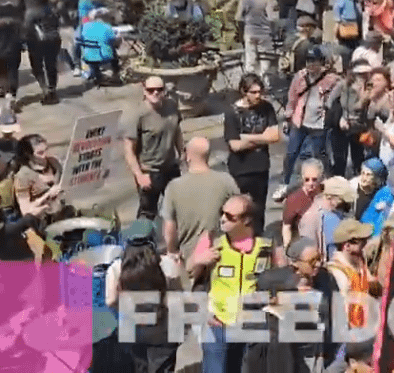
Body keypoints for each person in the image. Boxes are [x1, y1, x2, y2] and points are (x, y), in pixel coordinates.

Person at [188, 194, 280, 373]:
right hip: (217, 323)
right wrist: (200, 259)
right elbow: (189, 270)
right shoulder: (212, 241)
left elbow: (280, 278)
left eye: (230, 216)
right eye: (222, 213)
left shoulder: (265, 247)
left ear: (246, 220)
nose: (223, 219)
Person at [105, 220, 183, 373]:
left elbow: (110, 301)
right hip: (162, 331)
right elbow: (177, 299)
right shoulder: (168, 265)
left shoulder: (116, 268)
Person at [161, 137, 240, 267]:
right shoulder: (226, 181)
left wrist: (172, 251)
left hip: (189, 259)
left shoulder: (174, 187)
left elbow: (170, 228)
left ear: (188, 157)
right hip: (221, 254)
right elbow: (241, 212)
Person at [278, 45, 340, 200]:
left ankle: (327, 183)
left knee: (321, 154)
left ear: (321, 62)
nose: (312, 65)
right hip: (299, 121)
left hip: (319, 124)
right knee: (291, 153)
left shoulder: (330, 79)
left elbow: (341, 85)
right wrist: (288, 117)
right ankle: (284, 183)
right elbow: (292, 97)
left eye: (315, 61)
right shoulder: (300, 76)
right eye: (309, 61)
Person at [224, 73, 281, 233]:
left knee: (259, 209)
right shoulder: (232, 112)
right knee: (239, 209)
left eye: (260, 92)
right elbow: (235, 145)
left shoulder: (266, 108)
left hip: (261, 167)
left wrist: (247, 137)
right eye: (254, 92)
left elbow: (275, 136)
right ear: (244, 92)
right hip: (240, 169)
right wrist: (263, 137)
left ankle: (258, 238)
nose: (258, 96)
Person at [124, 75, 184, 221]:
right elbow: (129, 150)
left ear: (165, 91)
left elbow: (176, 131)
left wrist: (182, 155)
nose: (155, 93)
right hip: (149, 171)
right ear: (144, 91)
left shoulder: (171, 106)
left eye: (159, 89)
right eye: (151, 90)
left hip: (170, 168)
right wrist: (139, 176)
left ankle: (175, 241)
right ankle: (142, 241)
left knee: (178, 209)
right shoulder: (136, 115)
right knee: (147, 213)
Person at [24, 0, 63, 104]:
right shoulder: (52, 10)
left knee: (37, 66)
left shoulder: (31, 12)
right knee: (51, 65)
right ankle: (52, 89)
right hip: (54, 39)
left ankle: (45, 90)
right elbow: (57, 24)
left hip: (38, 42)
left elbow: (27, 28)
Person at [78, 6, 121, 83]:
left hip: (87, 57)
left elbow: (80, 38)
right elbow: (114, 41)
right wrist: (119, 39)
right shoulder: (107, 27)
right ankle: (116, 73)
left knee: (93, 49)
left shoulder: (85, 26)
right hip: (104, 57)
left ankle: (97, 75)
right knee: (113, 49)